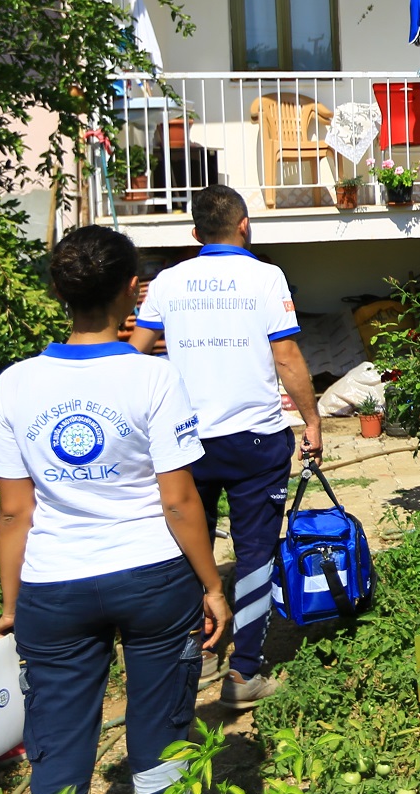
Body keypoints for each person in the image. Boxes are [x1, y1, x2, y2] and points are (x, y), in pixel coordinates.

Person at [0, 225, 227, 794]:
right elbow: (178, 501)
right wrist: (212, 585)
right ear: (132, 290)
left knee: (58, 741)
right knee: (162, 728)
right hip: (152, 578)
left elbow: (14, 512)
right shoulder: (154, 378)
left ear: (61, 293)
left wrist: (14, 604)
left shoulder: (15, 384)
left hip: (53, 585)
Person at [129, 185, 322, 707]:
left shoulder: (167, 282)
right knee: (255, 551)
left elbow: (136, 355)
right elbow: (285, 356)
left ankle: (198, 652)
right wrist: (312, 419)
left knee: (190, 546)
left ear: (195, 234)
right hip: (254, 439)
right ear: (244, 226)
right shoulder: (265, 276)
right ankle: (243, 674)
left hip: (184, 441)